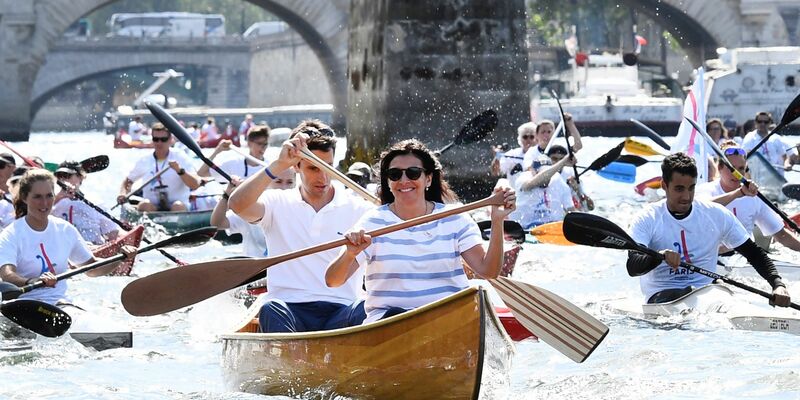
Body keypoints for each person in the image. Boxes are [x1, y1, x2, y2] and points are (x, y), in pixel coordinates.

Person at [325, 139, 516, 323]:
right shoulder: (372, 222)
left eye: (413, 173)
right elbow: (333, 281)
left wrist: (497, 221)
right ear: (388, 182)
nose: (404, 180)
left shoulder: (455, 218)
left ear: (428, 179)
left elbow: (488, 271)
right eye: (395, 174)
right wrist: (350, 254)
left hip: (449, 320)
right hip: (390, 323)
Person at [228, 119, 373, 333]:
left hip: (342, 310)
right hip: (288, 309)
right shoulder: (276, 202)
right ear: (296, 166)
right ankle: (290, 355)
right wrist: (278, 165)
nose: (323, 177)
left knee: (366, 308)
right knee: (271, 308)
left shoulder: (360, 208)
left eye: (328, 167)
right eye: (314, 168)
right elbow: (237, 205)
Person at [626, 153, 790, 306]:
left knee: (723, 293)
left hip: (707, 292)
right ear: (664, 185)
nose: (686, 197)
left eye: (691, 188)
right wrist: (659, 256)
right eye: (679, 189)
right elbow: (633, 267)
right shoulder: (647, 218)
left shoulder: (715, 214)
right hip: (662, 295)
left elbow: (754, 253)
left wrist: (778, 284)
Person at [0, 170, 136, 306]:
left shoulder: (65, 229)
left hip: (60, 304)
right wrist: (30, 281)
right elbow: (6, 275)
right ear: (24, 198)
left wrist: (119, 258)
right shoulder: (11, 234)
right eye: (37, 197)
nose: (45, 203)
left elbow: (92, 269)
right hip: (23, 304)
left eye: (49, 196)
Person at [696, 141, 800, 252]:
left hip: (745, 257)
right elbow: (702, 208)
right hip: (714, 256)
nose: (736, 173)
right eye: (732, 168)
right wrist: (738, 193)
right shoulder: (705, 190)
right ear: (720, 168)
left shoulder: (754, 196)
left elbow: (781, 235)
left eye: (741, 168)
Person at [211, 168, 295, 258]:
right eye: (278, 182)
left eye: (289, 182)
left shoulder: (299, 207)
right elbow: (218, 224)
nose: (284, 188)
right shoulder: (251, 208)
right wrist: (227, 195)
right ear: (266, 183)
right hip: (255, 265)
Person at [117, 123, 202, 212]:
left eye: (163, 139)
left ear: (170, 140)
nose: (159, 143)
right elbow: (128, 181)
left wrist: (179, 170)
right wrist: (122, 194)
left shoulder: (180, 157)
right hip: (152, 207)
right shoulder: (145, 160)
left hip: (177, 206)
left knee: (177, 206)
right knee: (144, 205)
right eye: (156, 139)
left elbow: (195, 185)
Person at [509, 145, 578, 229]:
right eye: (542, 172)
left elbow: (571, 210)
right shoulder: (523, 178)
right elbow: (532, 183)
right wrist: (563, 162)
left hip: (552, 229)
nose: (547, 179)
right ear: (533, 171)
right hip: (524, 228)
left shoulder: (558, 180)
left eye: (549, 175)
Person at [52, 161, 120, 245]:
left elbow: (112, 232)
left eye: (67, 176)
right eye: (60, 176)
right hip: (65, 247)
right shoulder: (51, 203)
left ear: (81, 177)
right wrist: (58, 197)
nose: (63, 180)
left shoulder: (95, 202)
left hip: (93, 246)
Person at [198, 125, 270, 180]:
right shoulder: (234, 164)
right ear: (249, 143)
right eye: (260, 143)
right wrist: (217, 151)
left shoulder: (270, 167)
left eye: (265, 144)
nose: (263, 147)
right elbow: (201, 174)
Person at [491, 122, 536, 187]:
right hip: (514, 191)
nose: (528, 140)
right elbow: (495, 172)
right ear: (520, 139)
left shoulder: (542, 155)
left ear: (536, 138)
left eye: (532, 137)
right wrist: (497, 157)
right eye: (525, 137)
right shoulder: (512, 154)